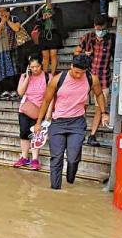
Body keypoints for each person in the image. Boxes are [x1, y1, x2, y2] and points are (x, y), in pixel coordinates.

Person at [34, 55, 107, 190]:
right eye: (76, 72)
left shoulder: (92, 79)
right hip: (58, 123)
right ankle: (55, 190)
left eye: (82, 73)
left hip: (77, 123)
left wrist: (104, 113)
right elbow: (46, 101)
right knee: (57, 158)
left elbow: (99, 94)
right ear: (71, 66)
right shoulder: (58, 79)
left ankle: (70, 178)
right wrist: (39, 122)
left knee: (73, 158)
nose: (79, 75)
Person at [74, 14, 114, 145]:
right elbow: (76, 52)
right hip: (86, 77)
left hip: (103, 78)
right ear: (94, 26)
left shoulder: (111, 39)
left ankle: (92, 135)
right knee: (82, 105)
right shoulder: (88, 37)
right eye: (98, 28)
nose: (100, 31)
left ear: (106, 27)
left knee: (100, 107)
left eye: (102, 28)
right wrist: (83, 54)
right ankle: (80, 131)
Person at [13, 57, 49, 170]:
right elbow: (20, 92)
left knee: (35, 135)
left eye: (37, 67)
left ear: (41, 65)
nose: (35, 69)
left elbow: (50, 97)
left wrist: (48, 114)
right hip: (25, 109)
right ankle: (24, 157)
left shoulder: (47, 77)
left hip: (39, 111)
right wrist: (28, 77)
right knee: (24, 133)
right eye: (32, 67)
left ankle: (34, 159)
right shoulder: (24, 76)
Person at [0, 7, 21, 88]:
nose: (1, 13)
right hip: (1, 51)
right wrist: (2, 22)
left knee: (14, 70)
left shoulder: (14, 18)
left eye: (2, 11)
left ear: (7, 11)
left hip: (12, 49)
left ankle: (15, 90)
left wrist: (7, 20)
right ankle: (6, 90)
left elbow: (16, 28)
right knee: (3, 72)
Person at [38, 2, 64, 76]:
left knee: (53, 55)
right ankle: (45, 75)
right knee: (45, 56)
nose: (49, 3)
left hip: (54, 33)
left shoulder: (57, 10)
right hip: (44, 34)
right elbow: (36, 21)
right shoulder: (41, 10)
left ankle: (52, 75)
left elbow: (60, 21)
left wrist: (52, 15)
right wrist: (43, 18)